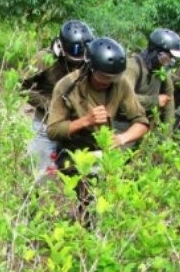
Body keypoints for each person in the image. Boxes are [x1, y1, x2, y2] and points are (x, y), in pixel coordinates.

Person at [47, 38, 149, 224]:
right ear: (90, 68)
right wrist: (85, 121)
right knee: (83, 197)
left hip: (104, 151)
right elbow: (53, 130)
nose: (107, 82)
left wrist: (123, 138)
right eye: (103, 77)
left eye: (112, 78)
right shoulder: (67, 85)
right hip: (74, 151)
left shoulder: (120, 84)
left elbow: (141, 122)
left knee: (115, 197)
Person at [21, 20, 95, 178]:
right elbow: (22, 87)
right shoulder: (44, 59)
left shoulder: (91, 59)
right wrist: (50, 105)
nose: (77, 65)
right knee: (39, 173)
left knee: (85, 171)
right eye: (72, 61)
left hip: (77, 123)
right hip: (46, 121)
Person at [123, 28, 180, 126]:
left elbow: (169, 101)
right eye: (169, 56)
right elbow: (125, 100)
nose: (170, 61)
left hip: (144, 127)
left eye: (173, 58)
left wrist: (166, 135)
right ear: (156, 51)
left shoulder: (161, 71)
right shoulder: (132, 67)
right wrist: (154, 101)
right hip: (123, 124)